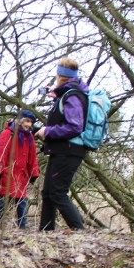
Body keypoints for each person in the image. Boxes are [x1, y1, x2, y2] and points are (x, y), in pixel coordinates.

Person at [34, 57, 87, 231]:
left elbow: (75, 126)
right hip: (61, 151)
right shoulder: (68, 94)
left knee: (57, 193)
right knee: (48, 193)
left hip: (68, 151)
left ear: (59, 76)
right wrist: (57, 95)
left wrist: (47, 131)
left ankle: (79, 231)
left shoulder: (72, 96)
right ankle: (45, 233)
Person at [0, 110, 40, 229]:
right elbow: (0, 153)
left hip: (21, 175)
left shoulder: (29, 137)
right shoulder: (7, 134)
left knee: (21, 203)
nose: (29, 125)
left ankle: (22, 228)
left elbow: (32, 157)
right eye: (27, 121)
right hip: (7, 174)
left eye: (31, 122)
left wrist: (34, 173)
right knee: (2, 202)